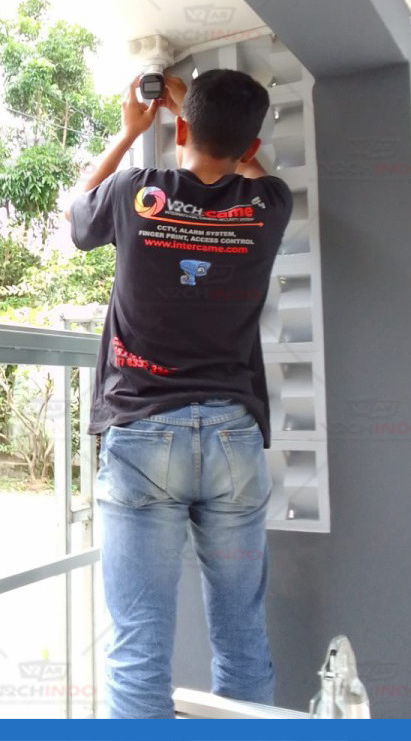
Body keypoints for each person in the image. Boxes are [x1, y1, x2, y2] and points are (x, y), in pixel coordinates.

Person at [64, 69, 293, 719]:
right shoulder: (269, 205)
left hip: (143, 438)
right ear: (251, 145)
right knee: (242, 639)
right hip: (233, 442)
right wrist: (211, 129)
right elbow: (256, 172)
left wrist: (130, 131)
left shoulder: (136, 190)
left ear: (181, 128)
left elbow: (77, 217)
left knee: (139, 651)